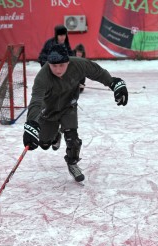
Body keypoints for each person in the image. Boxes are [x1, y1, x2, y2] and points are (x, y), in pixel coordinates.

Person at [22, 44, 129, 182]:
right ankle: (55, 136)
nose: (58, 69)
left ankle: (72, 163)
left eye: (62, 65)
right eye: (54, 66)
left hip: (68, 107)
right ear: (48, 63)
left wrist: (114, 83)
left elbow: (98, 72)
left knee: (73, 139)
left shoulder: (78, 64)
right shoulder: (42, 77)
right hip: (49, 111)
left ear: (68, 61)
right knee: (44, 143)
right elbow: (36, 100)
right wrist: (31, 123)